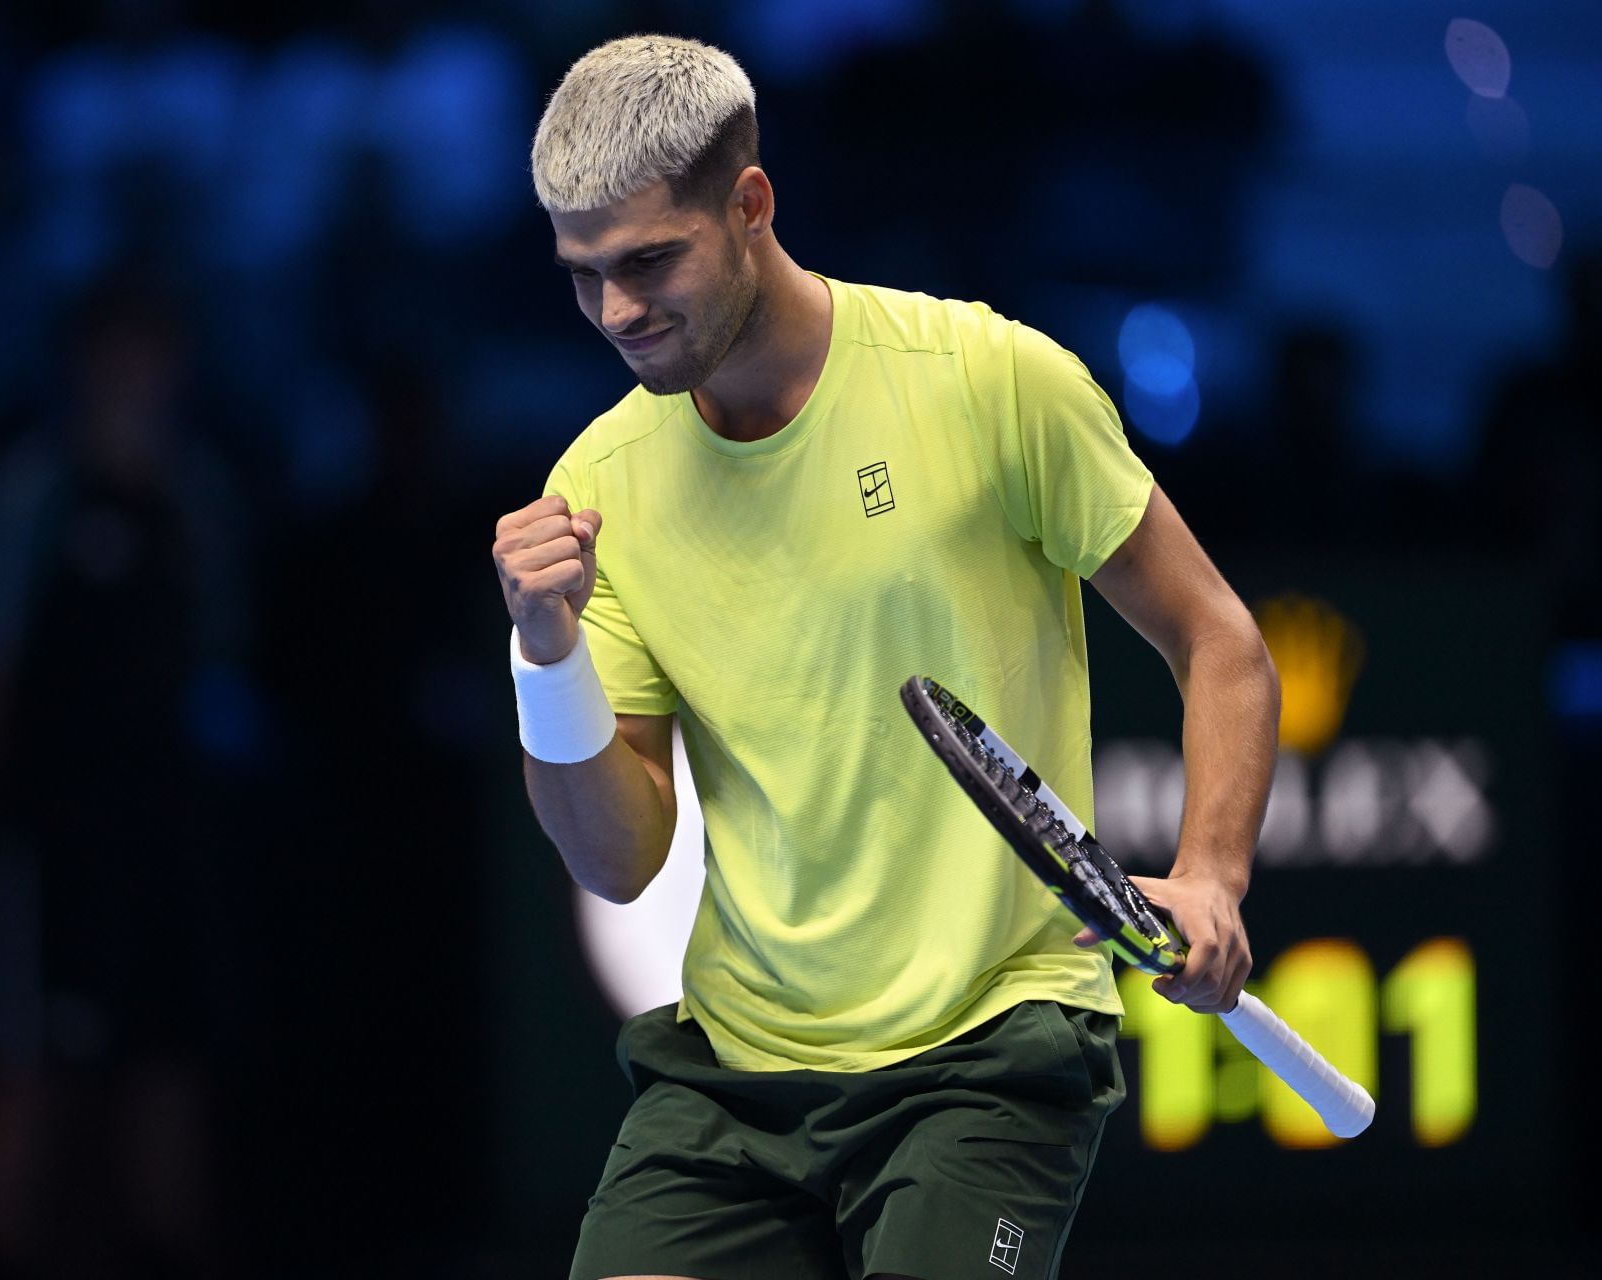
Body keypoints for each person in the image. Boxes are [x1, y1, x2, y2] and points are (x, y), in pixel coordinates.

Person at [491, 35, 1277, 1280]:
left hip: (991, 1050)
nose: (617, 313)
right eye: (583, 276)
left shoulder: (989, 380)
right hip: (739, 1072)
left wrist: (1212, 873)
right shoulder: (597, 486)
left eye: (649, 262)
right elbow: (617, 857)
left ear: (750, 206)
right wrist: (547, 657)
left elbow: (1222, 640)